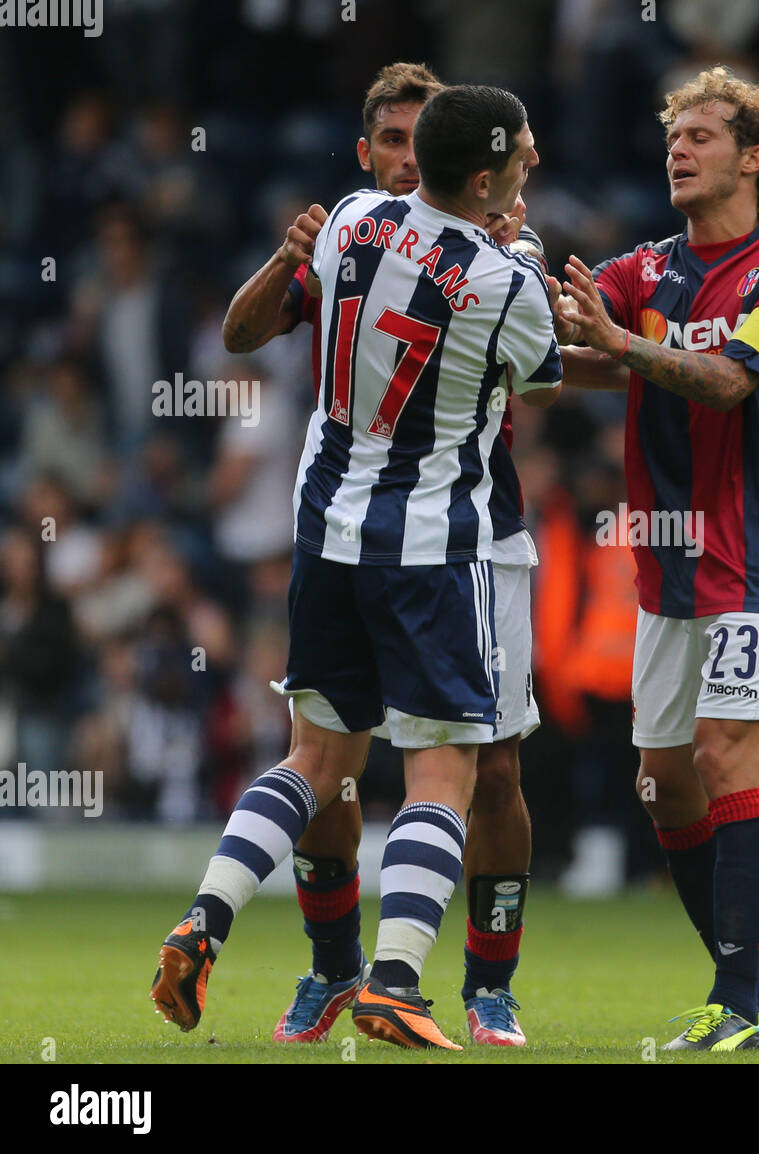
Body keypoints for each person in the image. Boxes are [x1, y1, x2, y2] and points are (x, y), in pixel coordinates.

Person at [149, 84, 561, 1052]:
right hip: (428, 549)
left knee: (314, 760)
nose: (535, 165)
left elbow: (311, 300)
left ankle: (207, 912)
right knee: (442, 773)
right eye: (524, 155)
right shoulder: (506, 281)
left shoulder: (348, 219)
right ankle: (396, 980)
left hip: (326, 532)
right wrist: (524, 247)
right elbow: (539, 377)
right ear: (486, 174)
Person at [557, 65, 759, 1051]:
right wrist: (521, 349)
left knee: (726, 754)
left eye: (702, 135)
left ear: (754, 157)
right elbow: (582, 348)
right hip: (668, 564)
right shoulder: (645, 270)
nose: (678, 148)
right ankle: (755, 994)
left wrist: (614, 346)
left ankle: (740, 997)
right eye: (673, 135)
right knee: (664, 779)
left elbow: (722, 381)